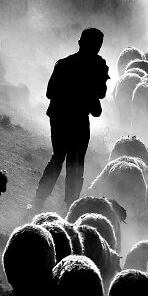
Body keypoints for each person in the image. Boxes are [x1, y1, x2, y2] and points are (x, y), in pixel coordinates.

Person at [28, 28, 110, 212]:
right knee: (74, 163)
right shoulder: (96, 66)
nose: (96, 49)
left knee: (59, 158)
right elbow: (100, 94)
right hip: (74, 118)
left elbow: (50, 92)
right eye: (95, 45)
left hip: (61, 116)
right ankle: (70, 207)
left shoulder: (65, 64)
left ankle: (38, 202)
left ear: (80, 42)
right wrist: (84, 92)